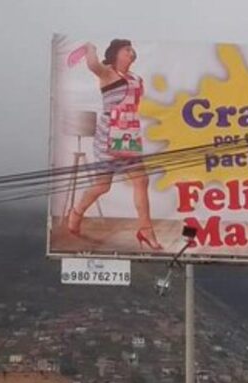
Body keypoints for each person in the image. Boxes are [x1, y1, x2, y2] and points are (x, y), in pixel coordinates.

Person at [66, 39, 161, 250]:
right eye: (127, 49)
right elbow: (92, 65)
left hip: (129, 134)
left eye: (132, 49)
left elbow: (133, 105)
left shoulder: (136, 79)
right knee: (103, 185)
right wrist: (89, 48)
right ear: (116, 54)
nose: (131, 52)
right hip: (109, 135)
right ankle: (77, 211)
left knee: (141, 180)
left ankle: (146, 230)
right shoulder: (107, 73)